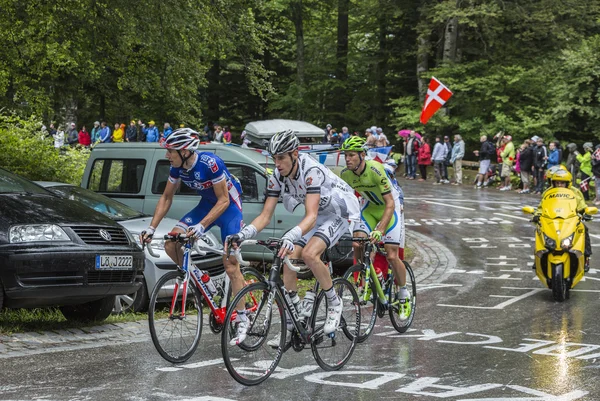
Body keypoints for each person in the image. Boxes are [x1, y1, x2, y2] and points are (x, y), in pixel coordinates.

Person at [228, 129, 360, 345]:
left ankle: (334, 303)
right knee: (287, 259)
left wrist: (292, 233)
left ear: (295, 154)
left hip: (339, 212)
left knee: (309, 254)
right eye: (274, 158)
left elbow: (311, 215)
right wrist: (243, 235)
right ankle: (293, 319)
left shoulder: (311, 172)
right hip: (317, 216)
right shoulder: (277, 177)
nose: (277, 163)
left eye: (281, 158)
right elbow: (265, 215)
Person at [140, 128, 246, 339]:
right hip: (206, 205)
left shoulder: (210, 163)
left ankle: (243, 318)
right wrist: (151, 228)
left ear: (185, 151)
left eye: (170, 151)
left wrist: (201, 225)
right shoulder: (177, 168)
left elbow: (224, 200)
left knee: (231, 266)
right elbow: (166, 198)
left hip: (229, 208)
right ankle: (203, 279)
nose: (166, 155)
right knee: (172, 243)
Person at [339, 136, 411, 320]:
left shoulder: (375, 170)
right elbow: (348, 202)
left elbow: (389, 204)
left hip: (390, 208)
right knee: (357, 243)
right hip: (370, 209)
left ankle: (403, 294)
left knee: (391, 254)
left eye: (352, 155)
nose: (347, 159)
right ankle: (370, 274)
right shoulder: (346, 175)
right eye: (345, 155)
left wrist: (380, 228)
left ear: (362, 155)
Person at [535, 167, 591, 271]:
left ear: (568, 183)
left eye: (562, 183)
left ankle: (586, 257)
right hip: (552, 221)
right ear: (553, 183)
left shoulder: (575, 192)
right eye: (557, 183)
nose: (559, 185)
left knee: (584, 229)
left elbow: (582, 206)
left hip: (570, 221)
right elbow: (541, 207)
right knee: (539, 230)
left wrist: (585, 212)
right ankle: (538, 258)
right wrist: (536, 215)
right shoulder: (548, 192)